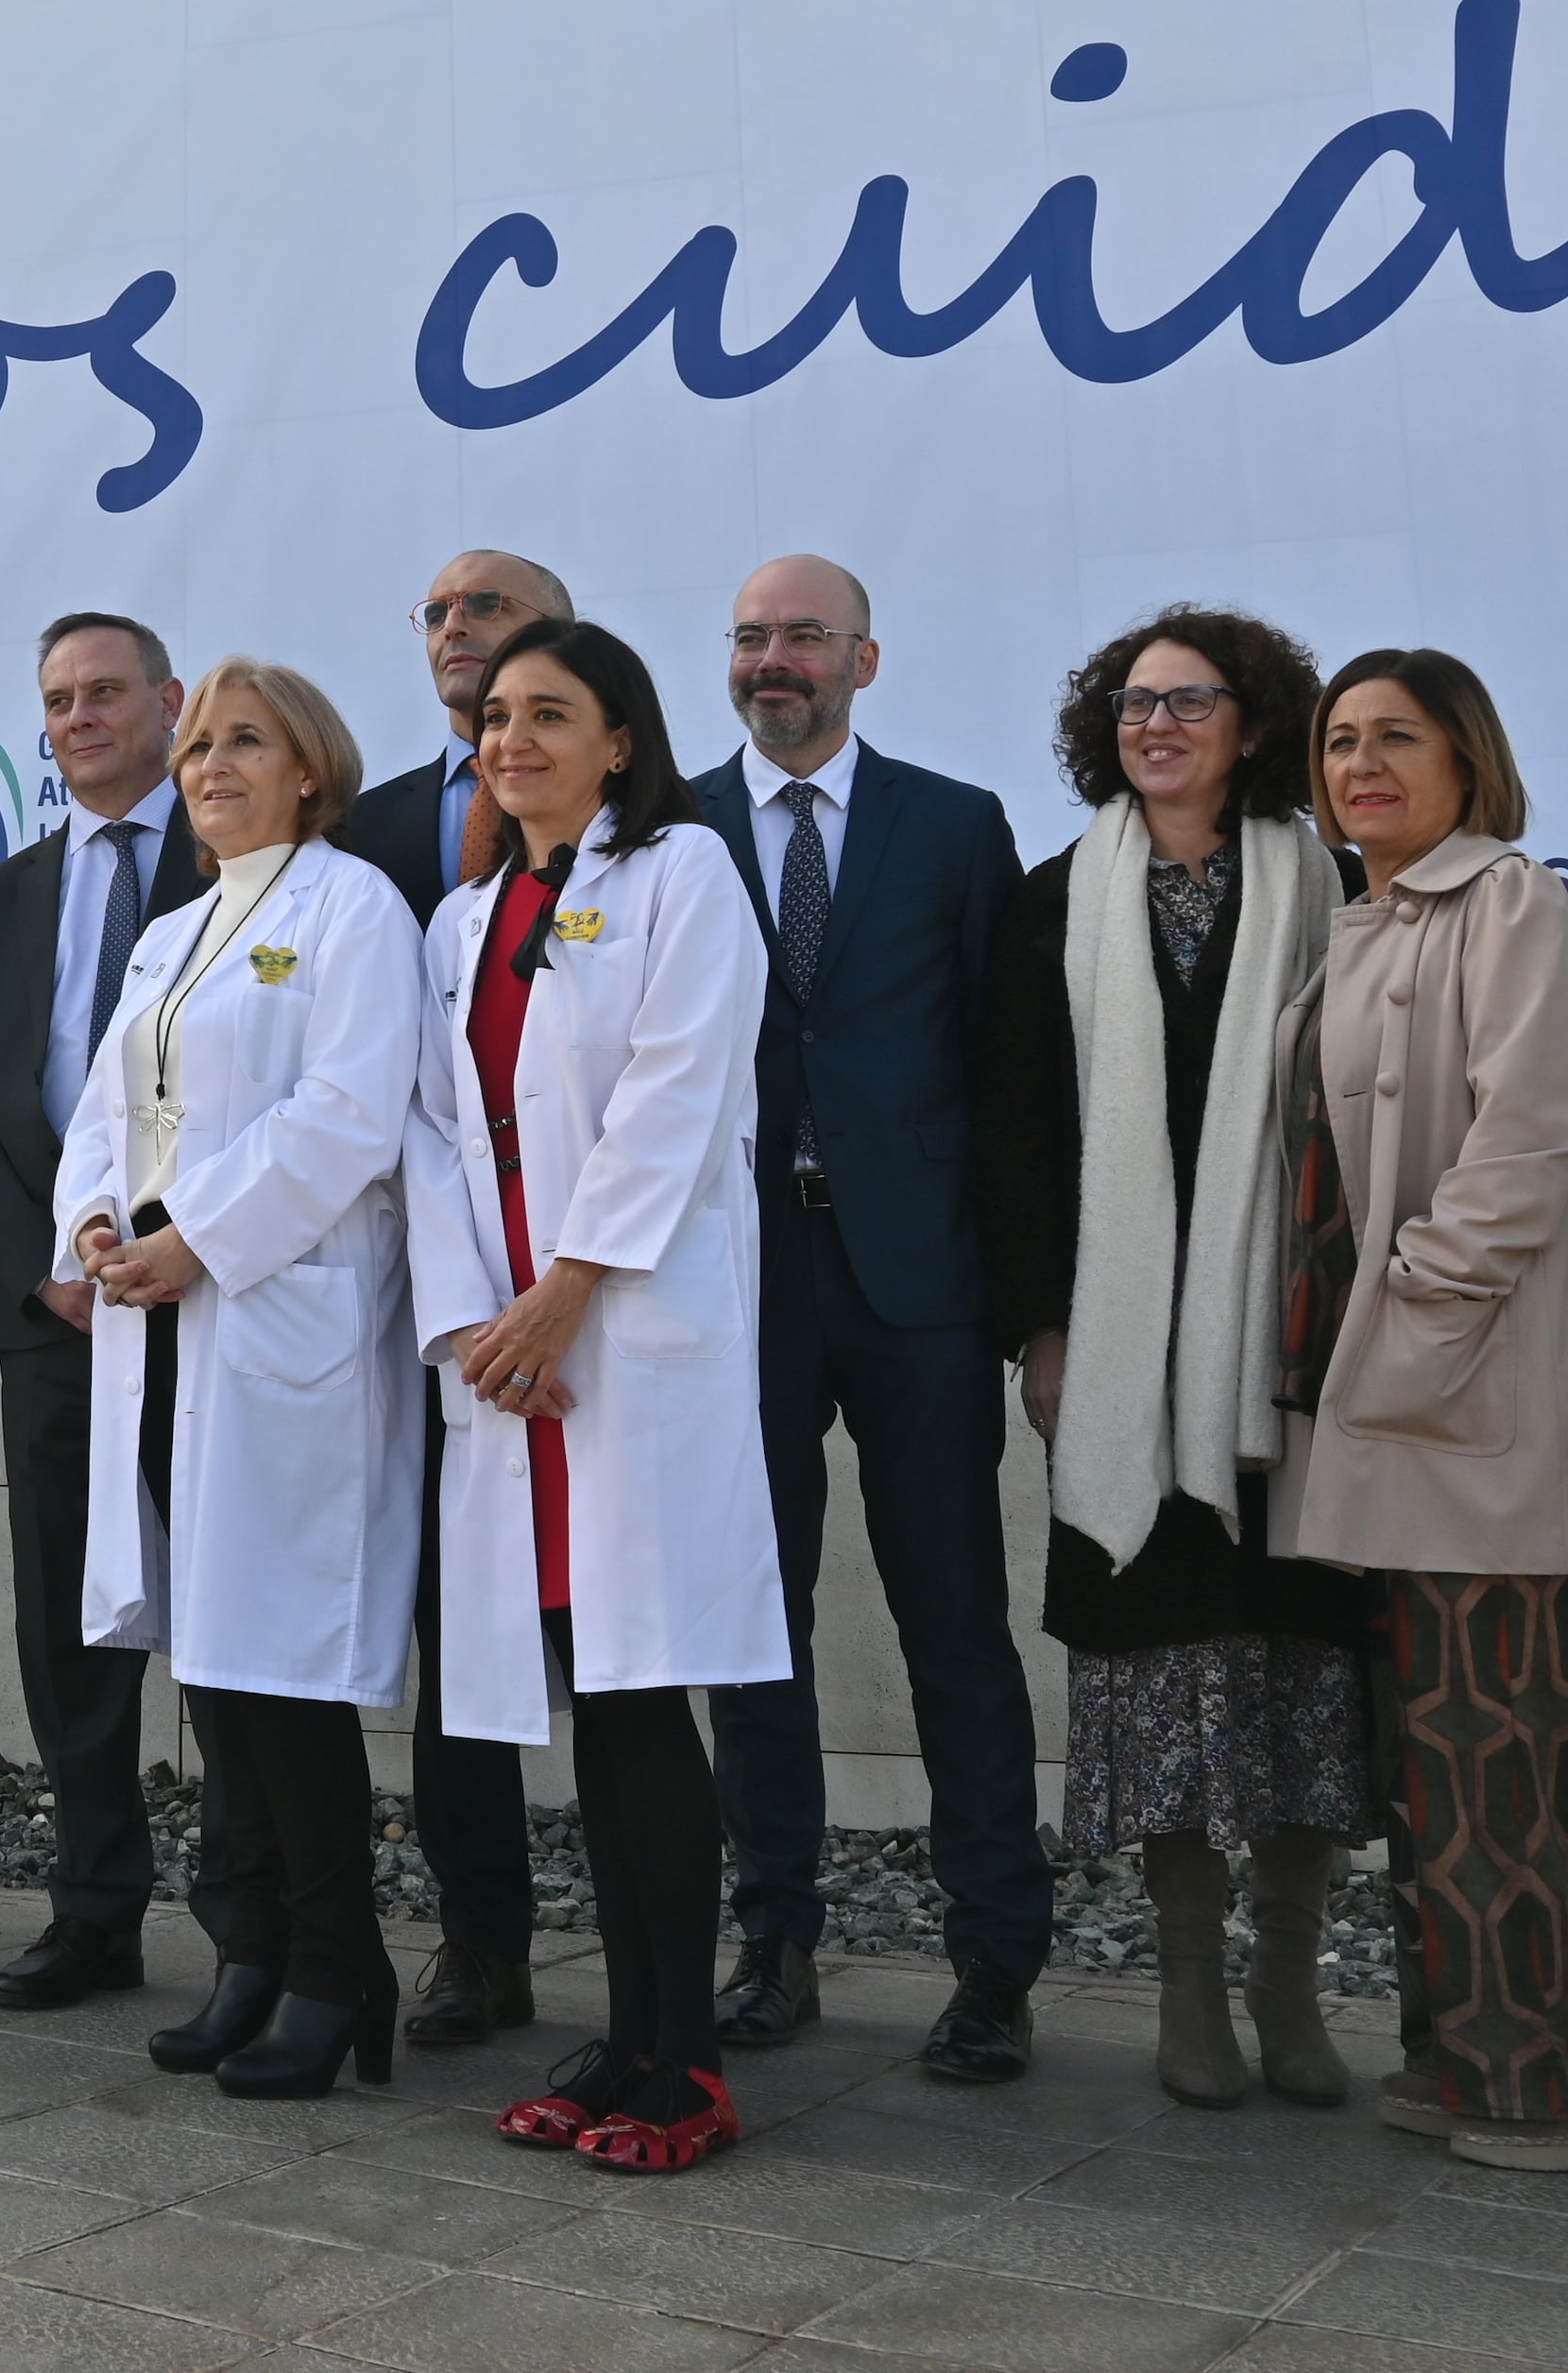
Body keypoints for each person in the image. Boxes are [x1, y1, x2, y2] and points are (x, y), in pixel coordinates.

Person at [1283, 650, 1568, 2173]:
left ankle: (1566, 2088)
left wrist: (1420, 1311)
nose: (1362, 763)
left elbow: (1531, 1136)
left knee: (1503, 1736)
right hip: (1390, 1387)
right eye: (1340, 741)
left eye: (1399, 737)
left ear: (1469, 759)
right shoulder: (1361, 918)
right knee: (1434, 1747)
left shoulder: (1506, 898)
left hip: (1472, 1374)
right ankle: (1468, 2060)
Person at [979, 612, 1362, 2111]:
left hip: (1287, 1351)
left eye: (1190, 703)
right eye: (1136, 704)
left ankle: (1289, 1980)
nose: (1157, 725)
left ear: (1253, 723)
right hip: (1125, 1354)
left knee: (1308, 1667)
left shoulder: (1324, 886)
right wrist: (1048, 1328)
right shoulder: (1051, 901)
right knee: (1158, 1673)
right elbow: (1014, 1136)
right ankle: (1191, 1987)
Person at [414, 618, 782, 2174]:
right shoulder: (469, 913)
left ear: (621, 738)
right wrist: (476, 1324)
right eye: (497, 716)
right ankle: (626, 2033)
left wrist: (567, 1286)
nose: (515, 739)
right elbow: (432, 1134)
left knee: (644, 1708)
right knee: (589, 1699)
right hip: (520, 1366)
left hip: (628, 1344)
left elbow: (678, 1097)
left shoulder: (683, 875)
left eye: (550, 714)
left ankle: (683, 2059)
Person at [54, 661, 435, 2098]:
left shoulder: (354, 909)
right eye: (199, 744)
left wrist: (195, 1240)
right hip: (163, 1330)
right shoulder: (173, 935)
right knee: (213, 1670)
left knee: (283, 1678)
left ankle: (341, 1970)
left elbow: (348, 1117)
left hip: (276, 1325)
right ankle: (252, 1957)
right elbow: (107, 1112)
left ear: (310, 769)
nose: (212, 764)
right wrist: (95, 1225)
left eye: (244, 743)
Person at [688, 555, 1047, 2078]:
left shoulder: (957, 826)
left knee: (954, 1621)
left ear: (867, 659)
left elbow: (1010, 1075)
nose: (777, 660)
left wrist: (1027, 1306)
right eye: (754, 637)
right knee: (750, 1627)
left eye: (805, 637)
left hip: (918, 1291)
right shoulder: (672, 828)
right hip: (736, 1291)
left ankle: (995, 1960)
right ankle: (776, 1936)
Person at [0, 612, 208, 2010]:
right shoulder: (10, 889)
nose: (83, 717)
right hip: (53, 1311)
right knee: (68, 1622)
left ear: (171, 702)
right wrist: (53, 1252)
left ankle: (256, 1917)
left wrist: (171, 1249)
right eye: (59, 700)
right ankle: (96, 1906)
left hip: (214, 1302)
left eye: (109, 692)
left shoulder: (248, 867)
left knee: (226, 1616)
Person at [334, 547, 573, 2047]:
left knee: (618, 1637)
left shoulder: (644, 835)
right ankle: (480, 1943)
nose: (455, 632)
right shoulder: (357, 831)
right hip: (405, 1289)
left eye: (484, 609)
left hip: (583, 1285)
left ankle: (724, 1942)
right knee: (455, 1623)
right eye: (433, 613)